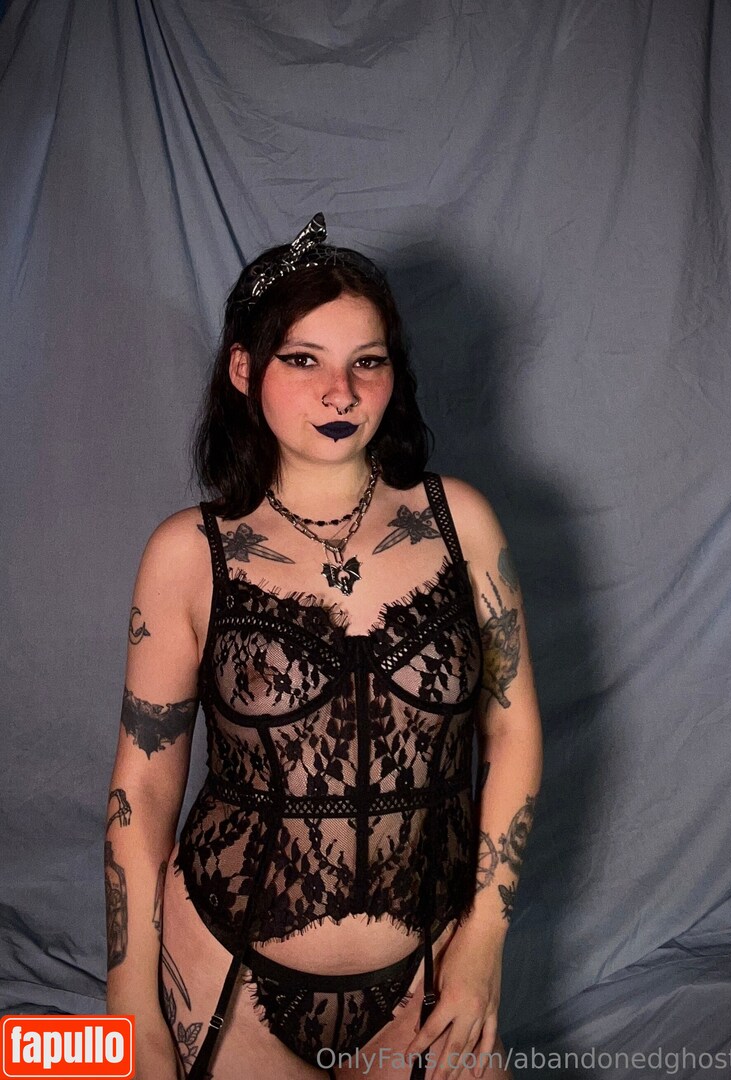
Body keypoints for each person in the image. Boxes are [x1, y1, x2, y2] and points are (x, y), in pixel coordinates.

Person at [105, 214, 543, 1080]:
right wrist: (131, 1016)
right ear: (244, 369)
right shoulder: (187, 554)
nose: (339, 393)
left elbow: (515, 731)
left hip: (427, 972)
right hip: (223, 970)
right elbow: (144, 787)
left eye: (366, 362)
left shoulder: (462, 524)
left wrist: (483, 944)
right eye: (303, 359)